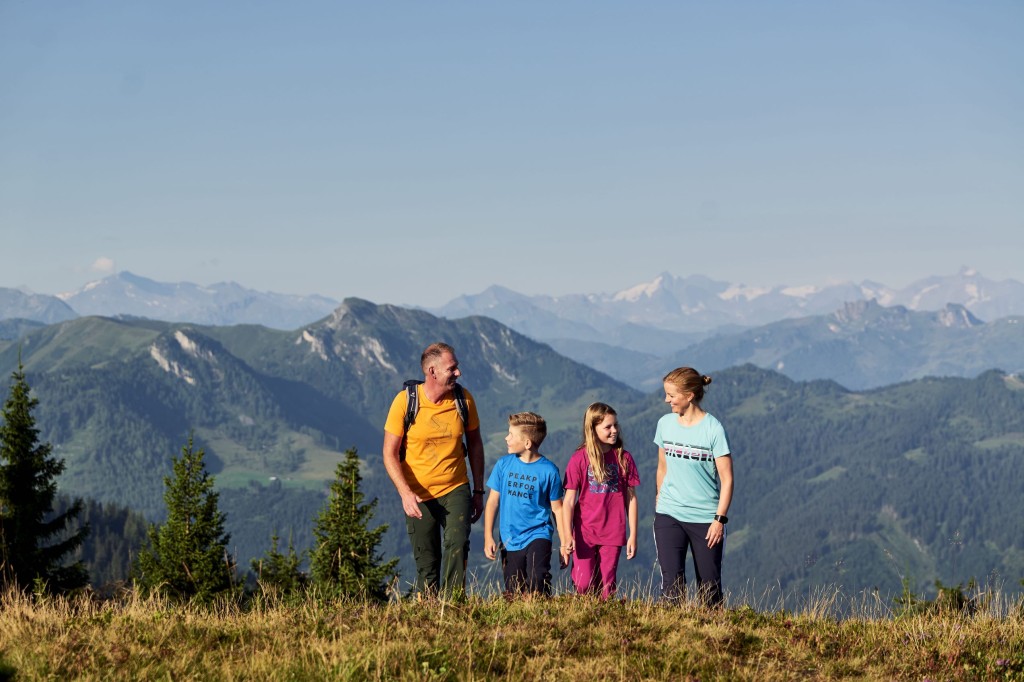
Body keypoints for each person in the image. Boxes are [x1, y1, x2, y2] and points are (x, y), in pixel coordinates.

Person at [382, 342, 485, 598]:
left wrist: (479, 490)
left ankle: (453, 607)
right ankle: (428, 612)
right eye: (453, 368)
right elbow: (389, 453)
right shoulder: (405, 402)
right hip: (418, 495)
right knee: (427, 563)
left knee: (457, 543)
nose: (458, 373)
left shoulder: (464, 400)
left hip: (455, 487)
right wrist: (405, 493)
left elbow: (475, 444)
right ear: (433, 371)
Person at [653, 367, 734, 607]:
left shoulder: (713, 429)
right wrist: (660, 499)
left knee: (710, 587)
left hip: (705, 520)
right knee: (671, 585)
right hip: (669, 514)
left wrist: (719, 520)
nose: (666, 400)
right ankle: (671, 637)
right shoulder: (665, 424)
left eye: (671, 395)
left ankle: (712, 639)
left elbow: (727, 479)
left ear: (689, 395)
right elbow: (662, 467)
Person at [482, 412, 568, 597]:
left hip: (539, 533)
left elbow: (558, 509)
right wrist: (488, 536)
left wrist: (564, 542)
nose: (506, 438)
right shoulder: (503, 465)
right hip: (509, 537)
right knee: (513, 589)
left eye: (511, 435)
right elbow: (492, 502)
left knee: (538, 578)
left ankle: (543, 615)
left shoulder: (549, 471)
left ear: (527, 443)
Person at [561, 402, 639, 599]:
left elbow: (631, 499)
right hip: (584, 531)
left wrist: (633, 535)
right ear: (593, 430)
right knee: (583, 584)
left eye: (616, 425)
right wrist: (566, 536)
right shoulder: (579, 458)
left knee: (607, 585)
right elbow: (569, 501)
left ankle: (604, 624)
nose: (614, 430)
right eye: (608, 427)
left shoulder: (624, 458)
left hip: (613, 530)